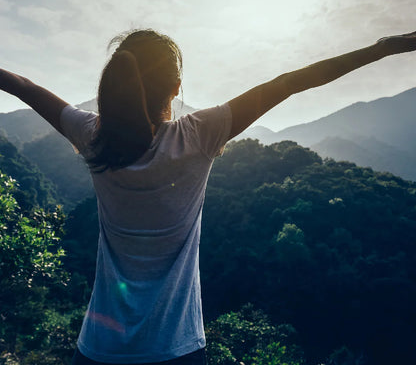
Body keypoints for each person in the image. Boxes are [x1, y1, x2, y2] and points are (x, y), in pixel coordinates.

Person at [0, 29, 415, 365]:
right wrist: (381, 49)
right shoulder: (197, 135)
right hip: (175, 348)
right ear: (177, 87)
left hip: (99, 349)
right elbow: (291, 83)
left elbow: (21, 85)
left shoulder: (93, 136)